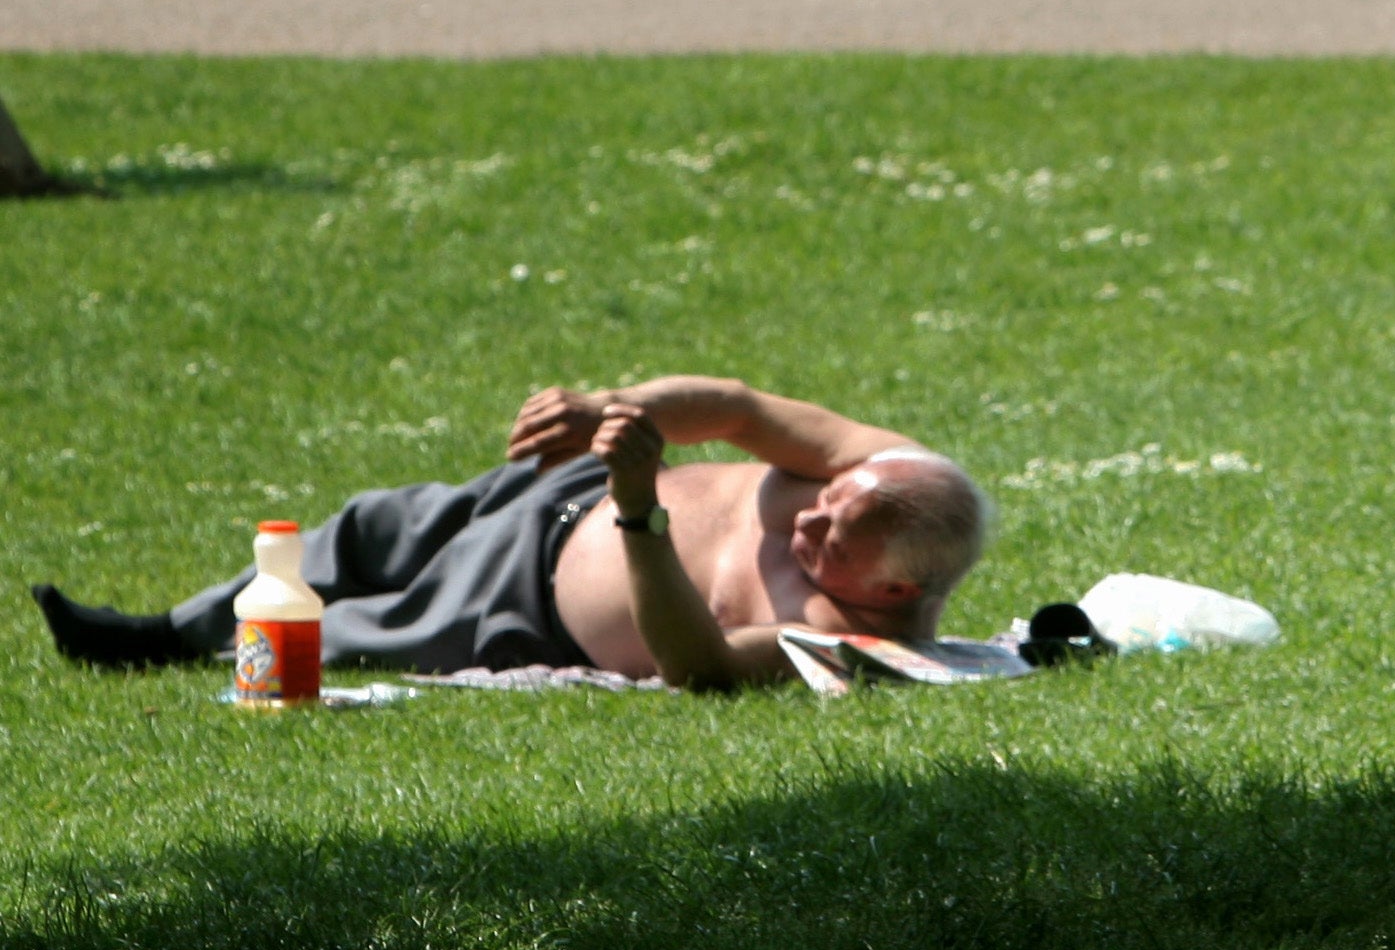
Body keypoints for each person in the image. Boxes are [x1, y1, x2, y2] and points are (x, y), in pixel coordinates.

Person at [33, 376, 993, 691]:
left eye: (836, 538)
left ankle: (170, 651)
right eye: (826, 499)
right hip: (559, 489)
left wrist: (638, 510)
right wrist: (611, 413)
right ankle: (165, 627)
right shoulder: (897, 471)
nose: (813, 515)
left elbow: (699, 665)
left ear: (896, 589)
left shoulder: (852, 643)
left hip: (520, 605)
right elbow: (737, 408)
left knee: (350, 627)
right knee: (362, 530)